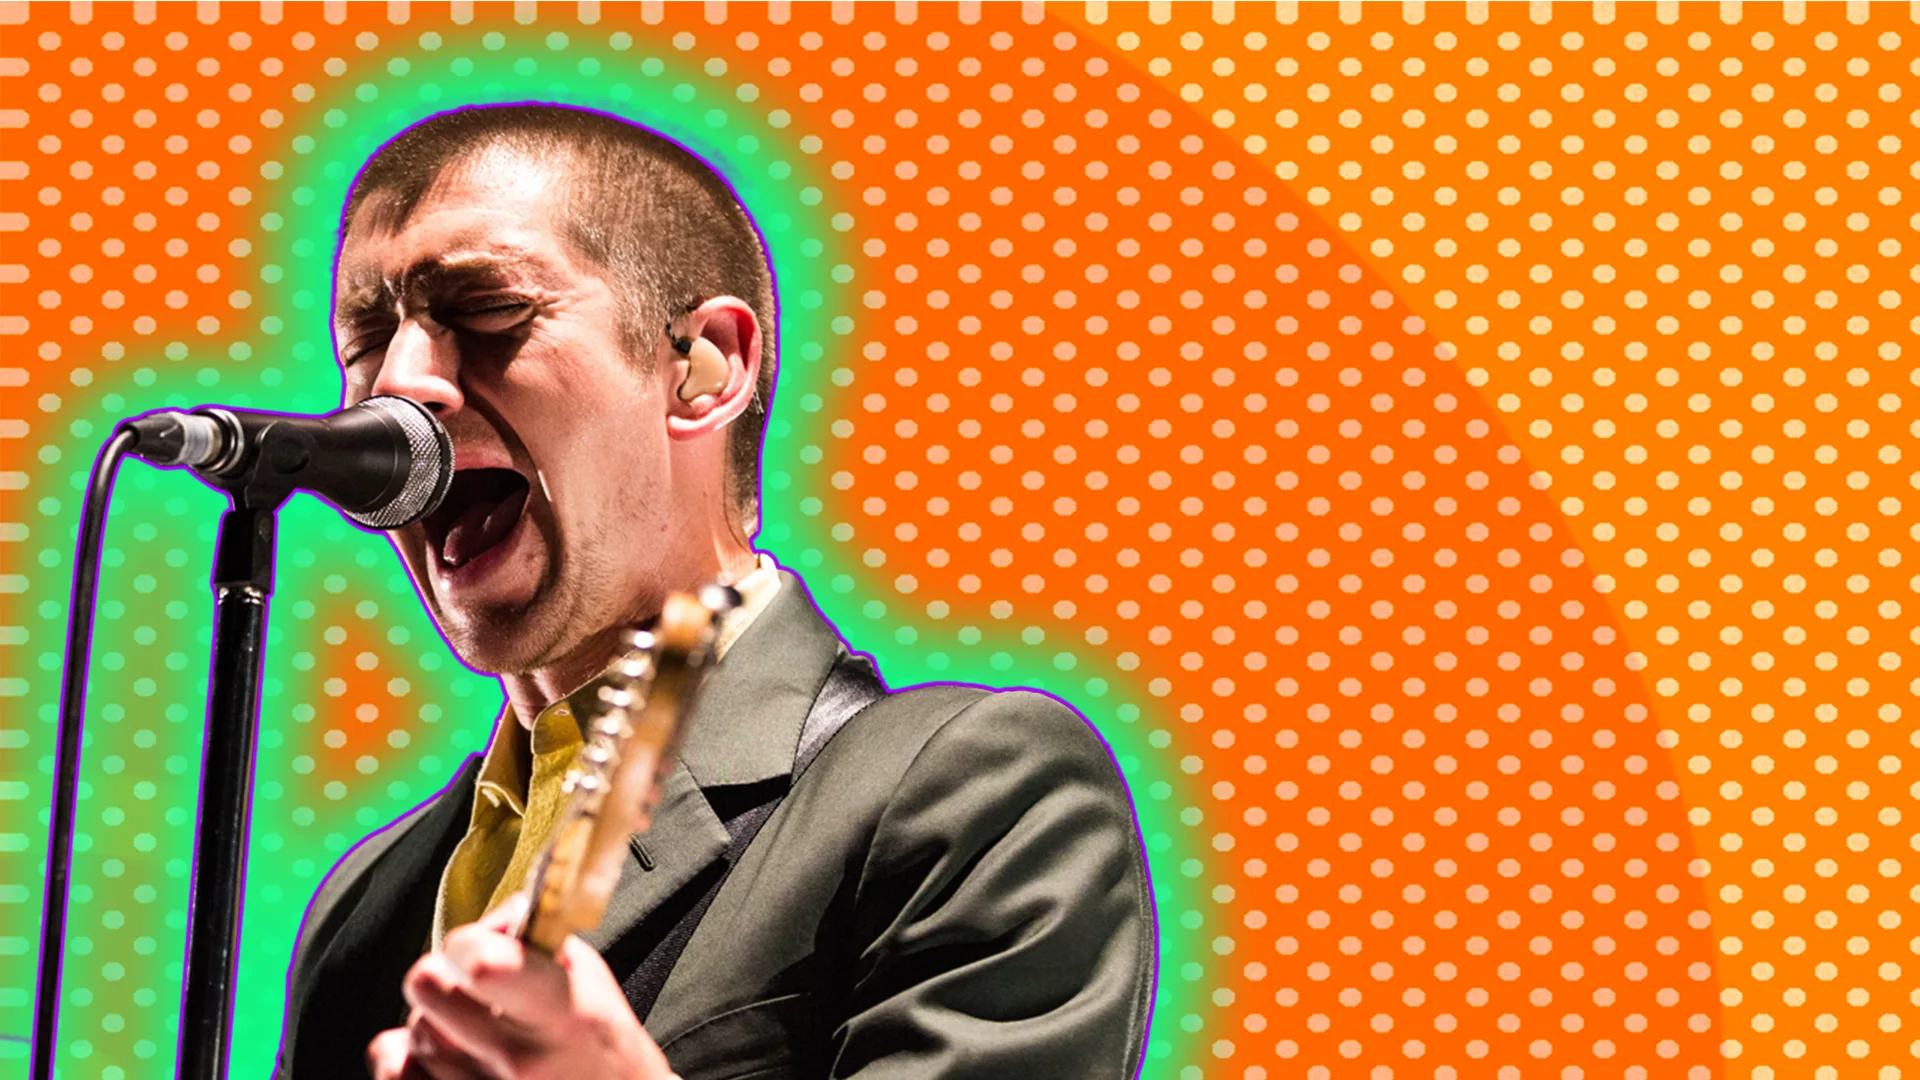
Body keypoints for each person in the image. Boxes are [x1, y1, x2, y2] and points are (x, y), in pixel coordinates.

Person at [273, 103, 1155, 1080]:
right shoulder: (363, 901)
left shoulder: (974, 789)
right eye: (367, 337)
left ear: (706, 367)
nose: (401, 384)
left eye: (486, 309)